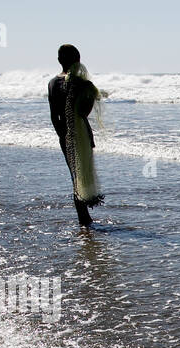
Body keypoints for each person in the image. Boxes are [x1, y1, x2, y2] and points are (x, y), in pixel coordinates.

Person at [48, 44, 104, 227]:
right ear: (78, 60)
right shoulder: (82, 84)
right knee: (83, 174)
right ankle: (85, 220)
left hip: (65, 134)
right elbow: (83, 113)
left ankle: (84, 219)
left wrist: (62, 134)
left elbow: (54, 115)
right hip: (82, 134)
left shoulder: (52, 83)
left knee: (75, 176)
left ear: (59, 60)